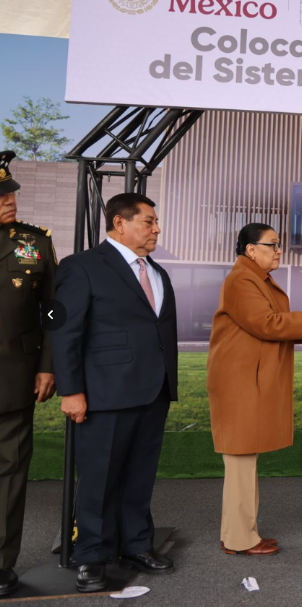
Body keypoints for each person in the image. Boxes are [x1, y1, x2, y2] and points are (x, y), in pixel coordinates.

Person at [52, 193, 179, 592]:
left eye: (156, 222)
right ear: (120, 223)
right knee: (99, 479)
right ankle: (91, 556)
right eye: (148, 221)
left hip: (153, 392)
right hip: (104, 394)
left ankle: (136, 544)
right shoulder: (82, 266)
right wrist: (71, 390)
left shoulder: (157, 272)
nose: (156, 228)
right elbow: (65, 333)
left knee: (140, 476)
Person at [207, 224, 302, 556]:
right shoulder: (242, 280)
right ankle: (239, 539)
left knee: (244, 460)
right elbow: (266, 324)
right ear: (251, 249)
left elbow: (272, 324)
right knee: (240, 460)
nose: (279, 250)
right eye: (273, 244)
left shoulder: (254, 279)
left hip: (245, 380)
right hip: (239, 382)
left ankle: (240, 533)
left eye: (279, 244)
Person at [0, 151, 57, 597]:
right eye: (0, 195)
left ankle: (1, 565)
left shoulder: (34, 243)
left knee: (9, 473)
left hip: (14, 377)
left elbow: (53, 311)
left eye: (11, 192)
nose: (9, 200)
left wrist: (47, 365)